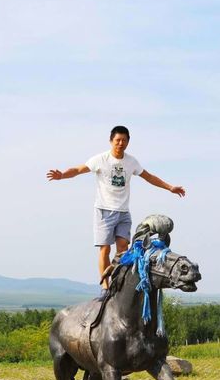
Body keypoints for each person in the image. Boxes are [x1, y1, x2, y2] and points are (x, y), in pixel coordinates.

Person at [47, 125, 185, 300]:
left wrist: (170, 187)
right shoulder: (101, 159)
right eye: (118, 140)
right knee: (105, 249)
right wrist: (62, 175)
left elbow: (149, 177)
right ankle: (105, 287)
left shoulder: (131, 162)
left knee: (123, 249)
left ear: (128, 142)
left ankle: (117, 282)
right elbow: (78, 169)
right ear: (111, 141)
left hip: (123, 212)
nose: (121, 143)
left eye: (124, 140)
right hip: (104, 210)